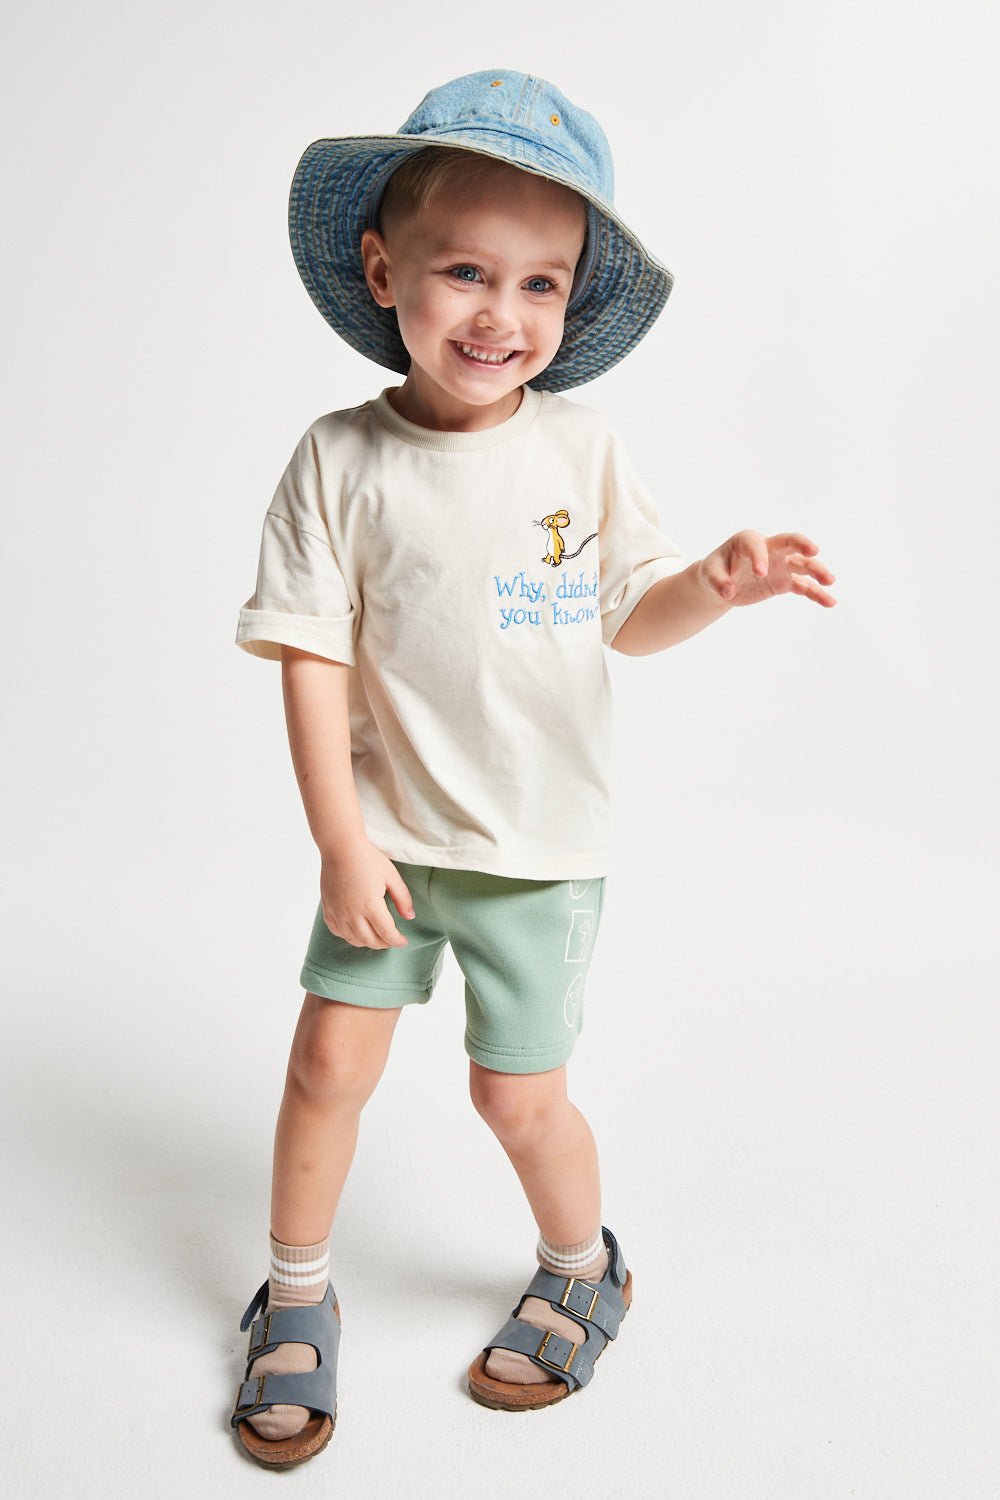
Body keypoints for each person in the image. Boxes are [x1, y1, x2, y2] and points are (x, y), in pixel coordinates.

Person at [229, 68, 837, 1468]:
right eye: (466, 272)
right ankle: (296, 1289)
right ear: (384, 273)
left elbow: (631, 616)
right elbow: (311, 661)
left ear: (569, 303)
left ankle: (581, 1265)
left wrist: (714, 584)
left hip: (536, 850)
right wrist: (341, 839)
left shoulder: (583, 451)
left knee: (515, 1094)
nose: (502, 315)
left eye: (540, 285)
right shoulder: (338, 460)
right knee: (325, 1063)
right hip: (386, 842)